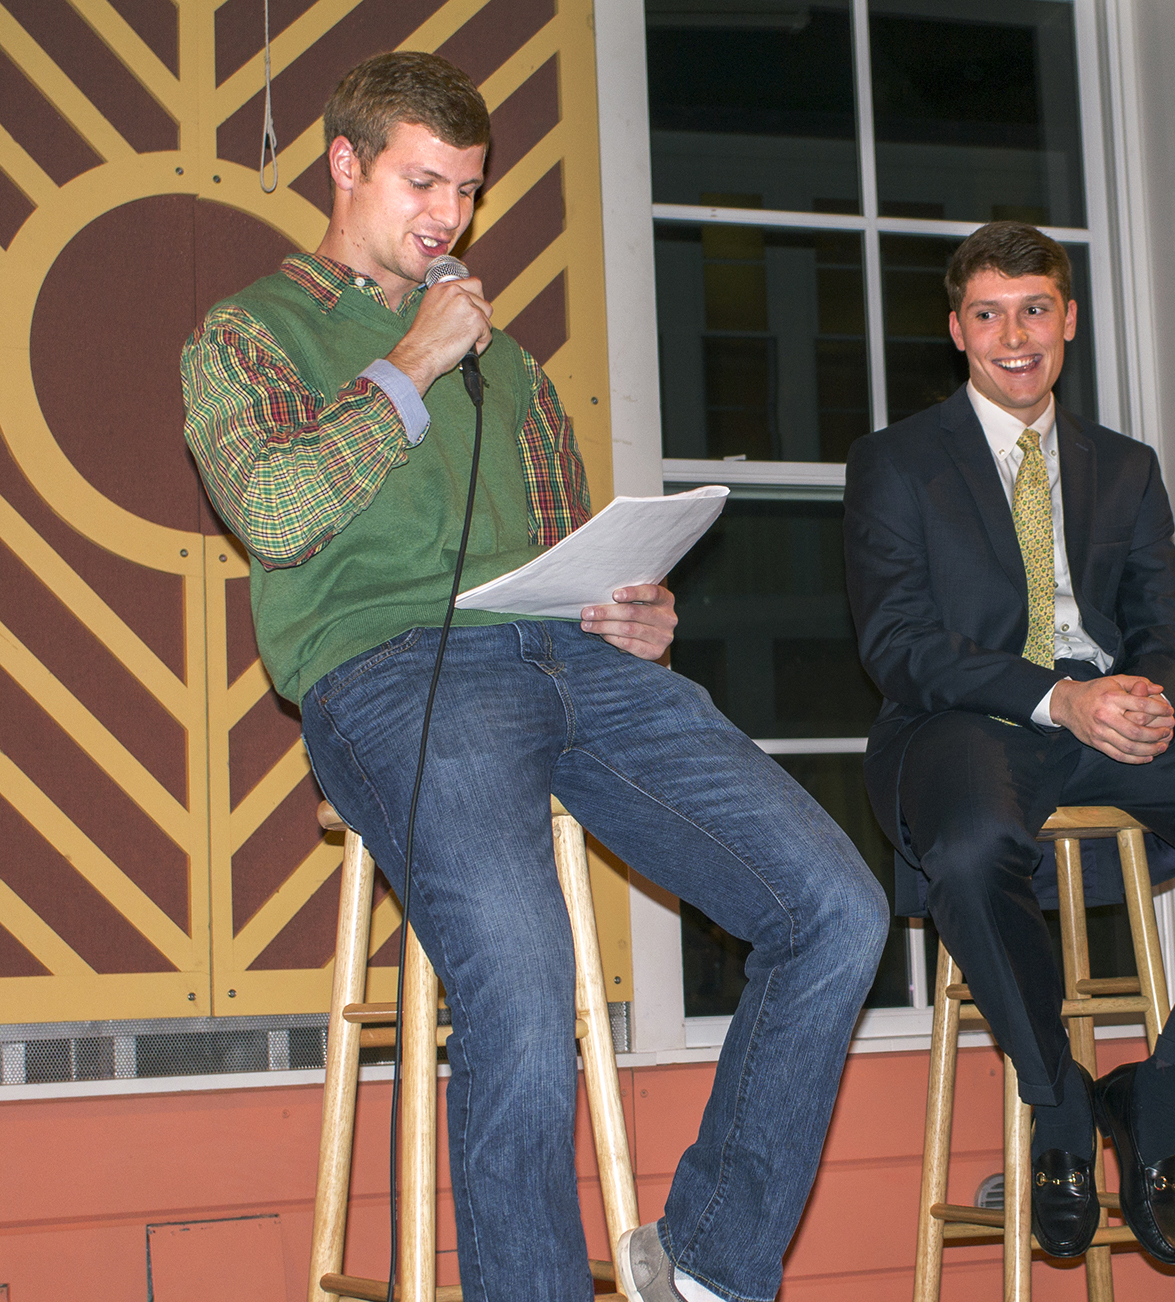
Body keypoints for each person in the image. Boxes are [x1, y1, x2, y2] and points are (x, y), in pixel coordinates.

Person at [182, 51, 887, 1302]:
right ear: (343, 165)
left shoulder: (508, 369)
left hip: (564, 657)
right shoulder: (245, 333)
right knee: (518, 963)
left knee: (835, 903)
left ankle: (714, 1259)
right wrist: (409, 364)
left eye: (465, 190)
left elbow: (562, 543)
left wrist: (625, 604)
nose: (447, 217)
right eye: (421, 183)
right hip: (390, 677)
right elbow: (276, 506)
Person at [843, 222, 1175, 1265]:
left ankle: (1156, 1097)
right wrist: (1057, 700)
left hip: (1107, 715)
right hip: (965, 721)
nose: (1014, 335)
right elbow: (899, 645)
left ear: (1068, 319)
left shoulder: (1121, 467)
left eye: (1034, 308)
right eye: (988, 313)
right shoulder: (896, 463)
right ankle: (1055, 1111)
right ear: (956, 331)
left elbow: (1167, 625)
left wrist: (1151, 696)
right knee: (966, 848)